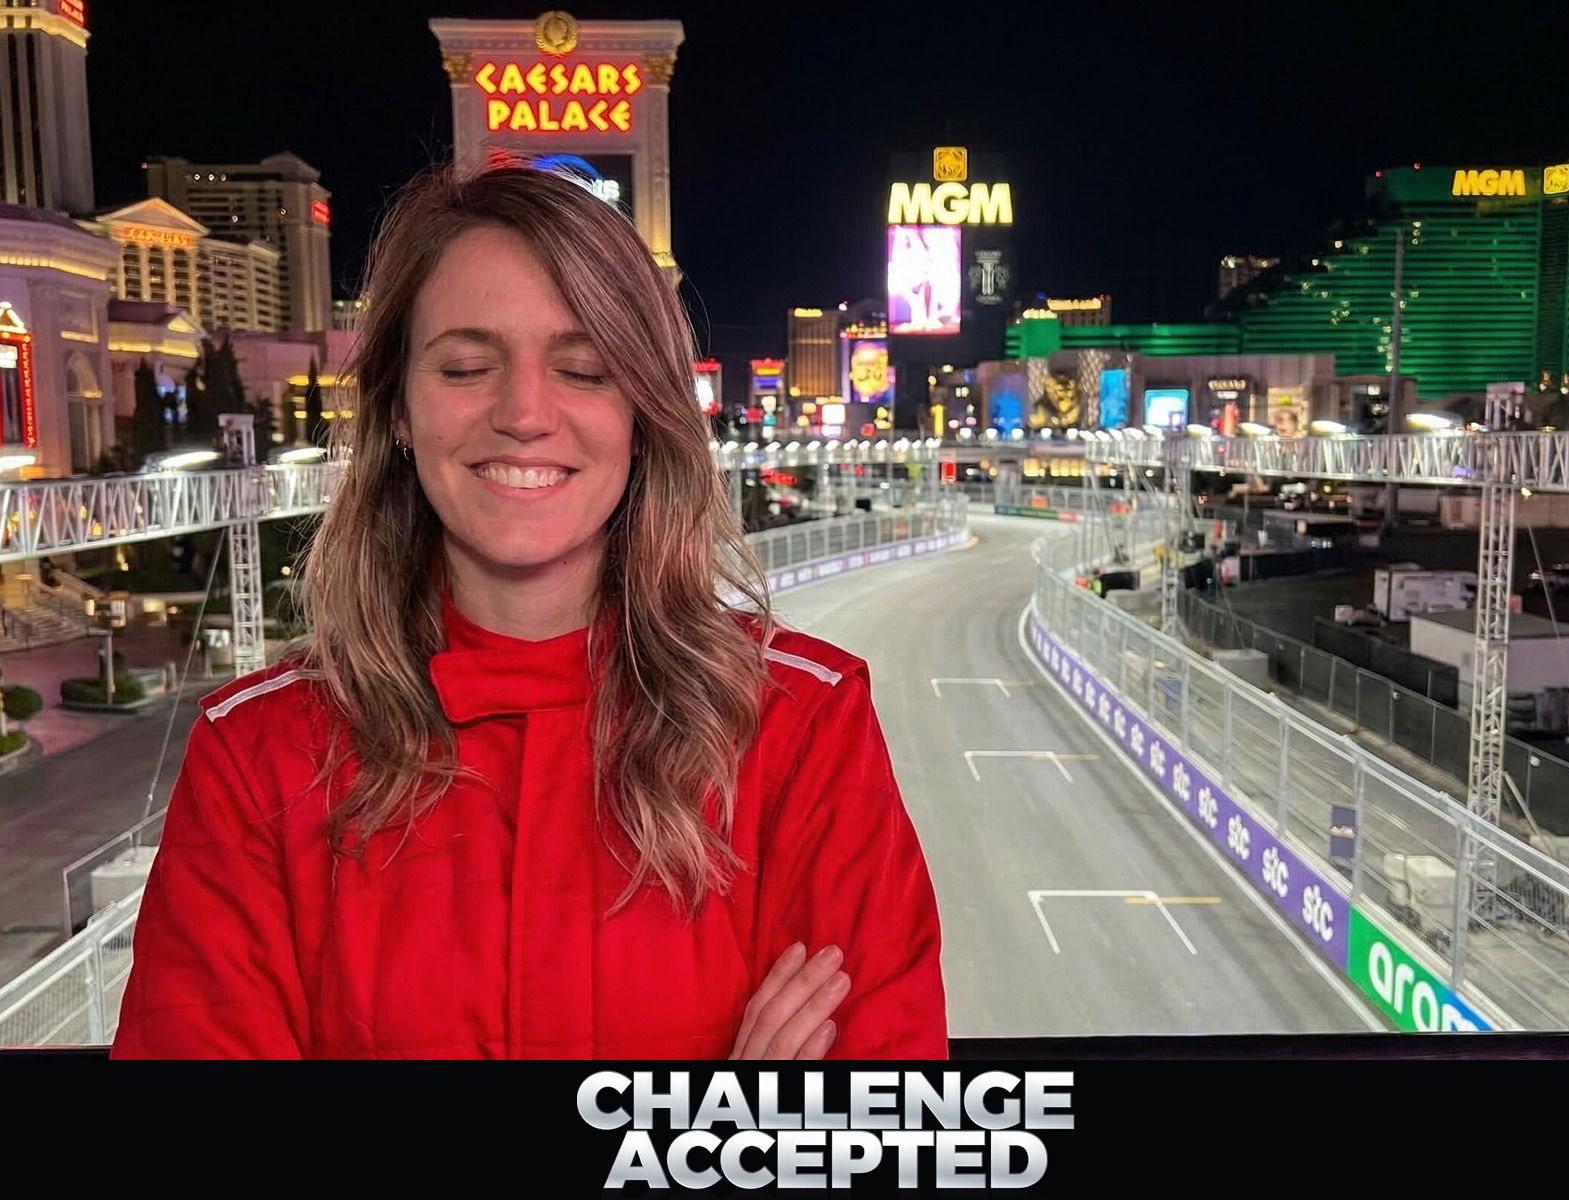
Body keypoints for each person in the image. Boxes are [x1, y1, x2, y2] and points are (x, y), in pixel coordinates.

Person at [111, 165, 948, 1060]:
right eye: (467, 367)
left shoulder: (800, 726)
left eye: (584, 369)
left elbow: (873, 1114)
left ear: (644, 413)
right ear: (397, 410)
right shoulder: (258, 757)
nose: (523, 413)